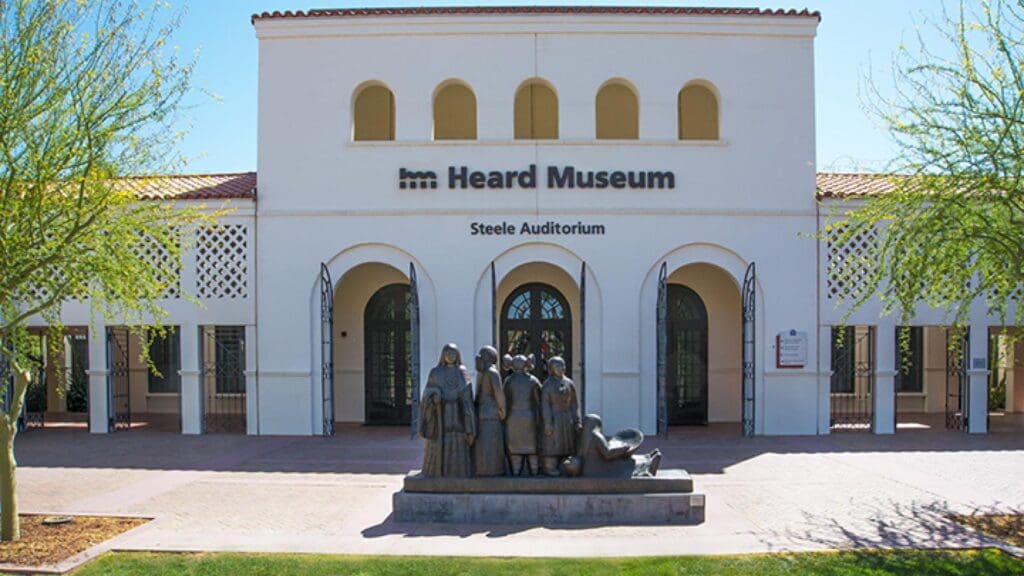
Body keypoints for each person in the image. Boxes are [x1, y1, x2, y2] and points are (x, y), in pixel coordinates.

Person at [418, 343, 476, 477]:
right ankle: (436, 472)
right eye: (448, 353)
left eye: (454, 353)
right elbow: (428, 391)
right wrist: (434, 394)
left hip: (457, 413)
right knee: (439, 442)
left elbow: (467, 392)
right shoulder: (436, 372)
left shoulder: (462, 371)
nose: (451, 356)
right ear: (443, 355)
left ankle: (459, 472)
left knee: (457, 440)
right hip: (440, 415)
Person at [571, 414, 661, 478]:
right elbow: (608, 454)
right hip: (599, 469)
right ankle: (647, 468)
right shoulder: (596, 435)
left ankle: (647, 457)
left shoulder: (582, 437)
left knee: (626, 460)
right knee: (627, 462)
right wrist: (623, 449)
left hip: (587, 470)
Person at [539, 356, 580, 476]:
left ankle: (565, 466)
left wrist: (577, 420)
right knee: (553, 444)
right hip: (554, 418)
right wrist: (547, 423)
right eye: (558, 366)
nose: (562, 368)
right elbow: (545, 406)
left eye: (563, 365)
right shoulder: (547, 385)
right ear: (551, 369)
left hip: (567, 418)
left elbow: (574, 403)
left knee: (567, 443)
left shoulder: (569, 383)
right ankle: (549, 467)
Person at [502, 353, 542, 476]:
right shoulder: (533, 380)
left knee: (515, 448)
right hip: (529, 417)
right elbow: (540, 399)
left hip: (513, 417)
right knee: (532, 448)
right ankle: (534, 472)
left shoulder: (508, 381)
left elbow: (504, 400)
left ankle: (515, 473)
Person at [473, 346, 506, 476]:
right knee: (493, 442)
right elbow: (499, 394)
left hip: (482, 411)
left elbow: (477, 394)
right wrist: (503, 409)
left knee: (483, 443)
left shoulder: (481, 373)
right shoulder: (492, 372)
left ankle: (482, 469)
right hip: (492, 412)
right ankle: (494, 470)